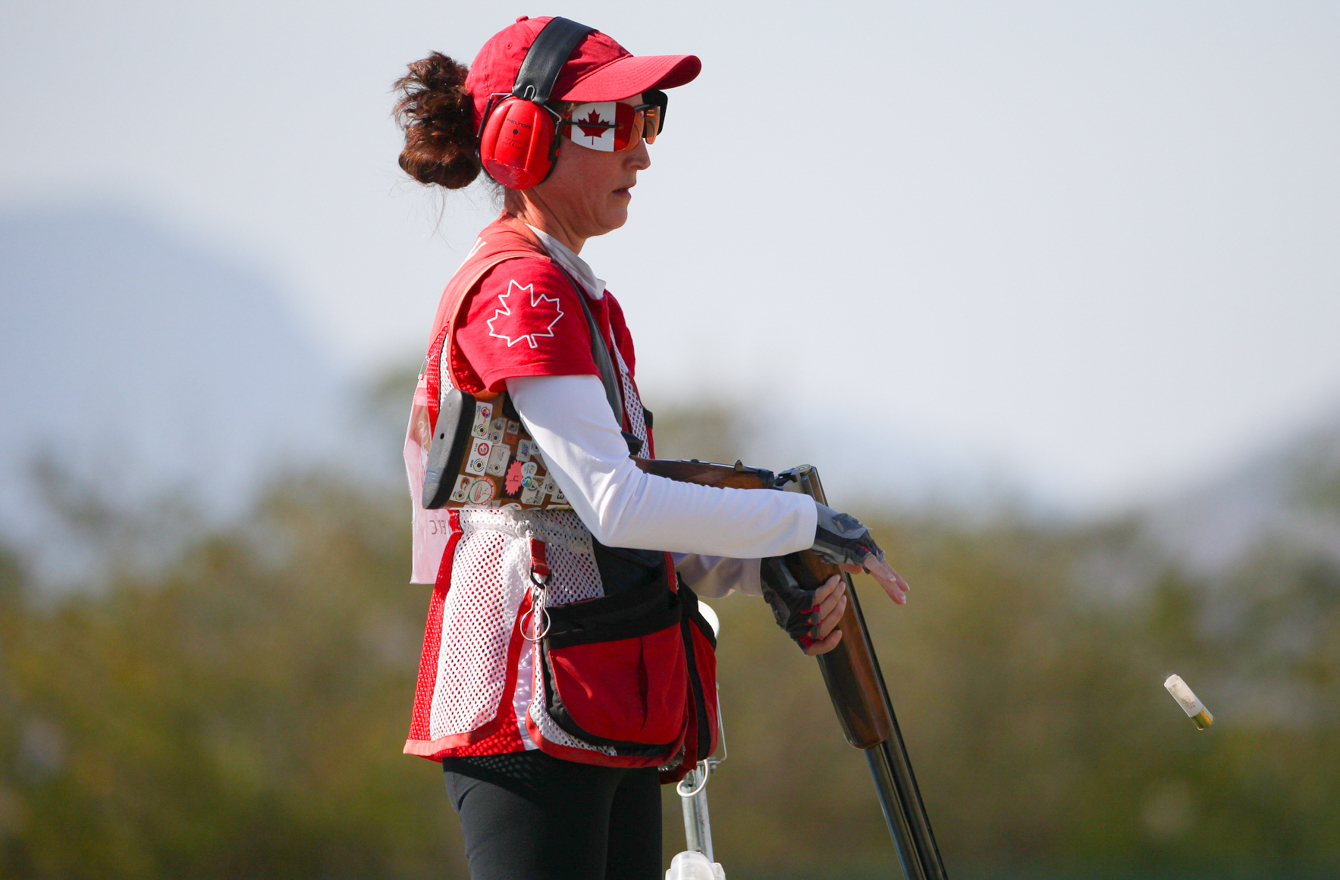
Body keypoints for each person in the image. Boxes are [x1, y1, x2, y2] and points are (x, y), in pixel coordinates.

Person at [392, 16, 911, 880]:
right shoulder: (529, 289)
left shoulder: (574, 292)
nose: (640, 152)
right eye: (609, 122)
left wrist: (764, 569)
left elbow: (603, 520)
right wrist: (801, 522)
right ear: (523, 137)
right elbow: (616, 502)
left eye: (646, 118)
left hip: (597, 683)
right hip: (531, 698)